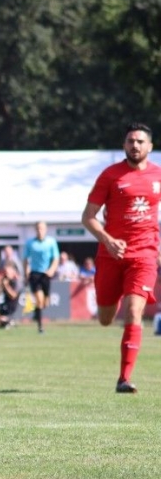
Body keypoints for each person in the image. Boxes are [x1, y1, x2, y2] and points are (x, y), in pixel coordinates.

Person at [81, 122, 160, 394]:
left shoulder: (158, 175)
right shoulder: (110, 176)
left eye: (140, 141)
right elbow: (88, 217)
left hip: (144, 255)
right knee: (105, 318)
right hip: (110, 255)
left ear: (150, 146)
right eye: (130, 141)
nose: (135, 145)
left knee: (134, 310)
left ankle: (124, 379)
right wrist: (108, 240)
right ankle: (110, 300)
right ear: (124, 145)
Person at [22, 221, 60, 333]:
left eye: (42, 228)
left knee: (45, 302)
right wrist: (26, 272)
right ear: (35, 229)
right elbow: (25, 259)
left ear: (45, 229)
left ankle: (37, 312)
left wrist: (51, 270)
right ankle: (40, 327)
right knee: (39, 299)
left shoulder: (51, 242)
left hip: (46, 274)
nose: (40, 230)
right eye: (38, 228)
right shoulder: (30, 243)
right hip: (35, 274)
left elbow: (56, 258)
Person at [0, 261, 22, 327]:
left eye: (7, 272)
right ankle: (6, 321)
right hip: (4, 306)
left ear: (13, 272)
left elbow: (13, 295)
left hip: (12, 309)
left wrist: (6, 286)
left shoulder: (16, 282)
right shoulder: (5, 280)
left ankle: (8, 321)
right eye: (5, 272)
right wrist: (0, 284)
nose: (6, 274)